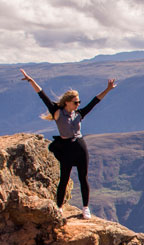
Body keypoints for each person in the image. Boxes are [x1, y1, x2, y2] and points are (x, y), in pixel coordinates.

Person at [19, 68, 116, 219]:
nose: (78, 104)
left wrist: (108, 89)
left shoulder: (79, 114)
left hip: (79, 145)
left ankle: (85, 208)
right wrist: (31, 81)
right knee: (64, 178)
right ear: (67, 102)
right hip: (66, 148)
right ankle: (59, 207)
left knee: (83, 177)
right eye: (76, 102)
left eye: (79, 102)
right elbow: (41, 94)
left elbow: (95, 101)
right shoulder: (57, 112)